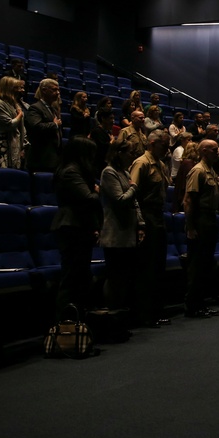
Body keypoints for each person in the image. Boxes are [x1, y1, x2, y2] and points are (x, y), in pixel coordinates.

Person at [50, 137, 102, 320]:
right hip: (71, 227)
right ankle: (63, 325)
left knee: (80, 276)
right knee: (71, 277)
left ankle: (77, 322)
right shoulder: (70, 172)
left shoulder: (75, 171)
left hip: (79, 227)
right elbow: (88, 198)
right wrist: (97, 191)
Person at [129, 128, 173, 327]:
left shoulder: (162, 165)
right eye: (164, 145)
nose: (166, 149)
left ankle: (156, 310)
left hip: (158, 216)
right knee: (146, 267)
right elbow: (134, 194)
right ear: (152, 143)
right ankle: (144, 313)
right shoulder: (142, 163)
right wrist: (140, 223)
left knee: (158, 266)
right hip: (146, 215)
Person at [99, 140, 144, 317]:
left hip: (128, 229)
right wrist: (133, 188)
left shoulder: (124, 172)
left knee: (125, 274)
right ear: (119, 153)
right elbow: (120, 200)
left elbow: (134, 203)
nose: (132, 157)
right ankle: (112, 312)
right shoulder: (109, 172)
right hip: (115, 231)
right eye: (130, 153)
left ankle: (122, 312)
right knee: (115, 275)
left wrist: (141, 224)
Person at [183, 139, 219, 318]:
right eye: (214, 150)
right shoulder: (198, 170)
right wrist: (190, 227)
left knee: (206, 264)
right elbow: (189, 201)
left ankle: (201, 303)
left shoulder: (212, 171)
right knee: (197, 265)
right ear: (204, 151)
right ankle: (192, 306)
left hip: (210, 218)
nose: (218, 152)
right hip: (200, 219)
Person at [0, 76, 28, 169]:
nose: (19, 90)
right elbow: (9, 124)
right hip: (2, 146)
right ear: (8, 88)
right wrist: (19, 115)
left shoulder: (15, 104)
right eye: (16, 87)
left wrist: (23, 146)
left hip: (15, 145)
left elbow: (22, 128)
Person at [25, 78, 63, 173]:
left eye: (58, 90)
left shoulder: (53, 109)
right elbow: (36, 127)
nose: (58, 93)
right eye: (54, 90)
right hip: (41, 159)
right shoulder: (35, 108)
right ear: (44, 90)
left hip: (53, 158)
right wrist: (55, 124)